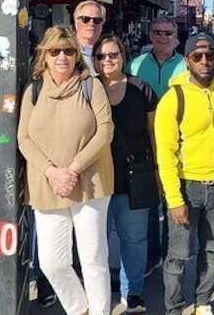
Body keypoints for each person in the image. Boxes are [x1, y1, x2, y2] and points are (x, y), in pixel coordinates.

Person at [17, 26, 114, 315]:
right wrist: (52, 172)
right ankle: (78, 308)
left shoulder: (91, 85)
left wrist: (73, 168)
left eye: (69, 51)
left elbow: (106, 130)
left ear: (77, 56)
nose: (62, 56)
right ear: (44, 56)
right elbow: (24, 138)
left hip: (90, 182)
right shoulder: (33, 90)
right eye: (55, 51)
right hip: (48, 185)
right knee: (51, 262)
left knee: (93, 258)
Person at [155, 33, 214, 315]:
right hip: (187, 187)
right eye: (197, 56)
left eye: (209, 55)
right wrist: (175, 199)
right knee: (178, 256)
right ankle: (174, 309)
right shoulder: (173, 98)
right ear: (187, 60)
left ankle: (203, 303)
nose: (204, 61)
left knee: (212, 252)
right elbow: (165, 154)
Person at [94, 34, 158, 313]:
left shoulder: (139, 88)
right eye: (101, 56)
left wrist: (157, 171)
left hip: (135, 173)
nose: (108, 60)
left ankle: (133, 292)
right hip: (97, 177)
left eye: (113, 55)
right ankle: (97, 292)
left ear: (123, 56)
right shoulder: (87, 88)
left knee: (135, 239)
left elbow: (154, 132)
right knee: (95, 240)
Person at [126, 15, 188, 275]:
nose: (163, 37)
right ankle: (152, 256)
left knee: (175, 199)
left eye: (168, 33)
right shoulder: (135, 65)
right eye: (158, 32)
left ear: (176, 36)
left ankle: (172, 254)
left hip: (180, 141)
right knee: (151, 203)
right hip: (145, 140)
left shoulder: (187, 64)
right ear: (150, 35)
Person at [73, 0, 107, 74]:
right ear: (76, 21)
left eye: (97, 20)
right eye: (85, 19)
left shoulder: (109, 51)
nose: (91, 23)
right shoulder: (65, 49)